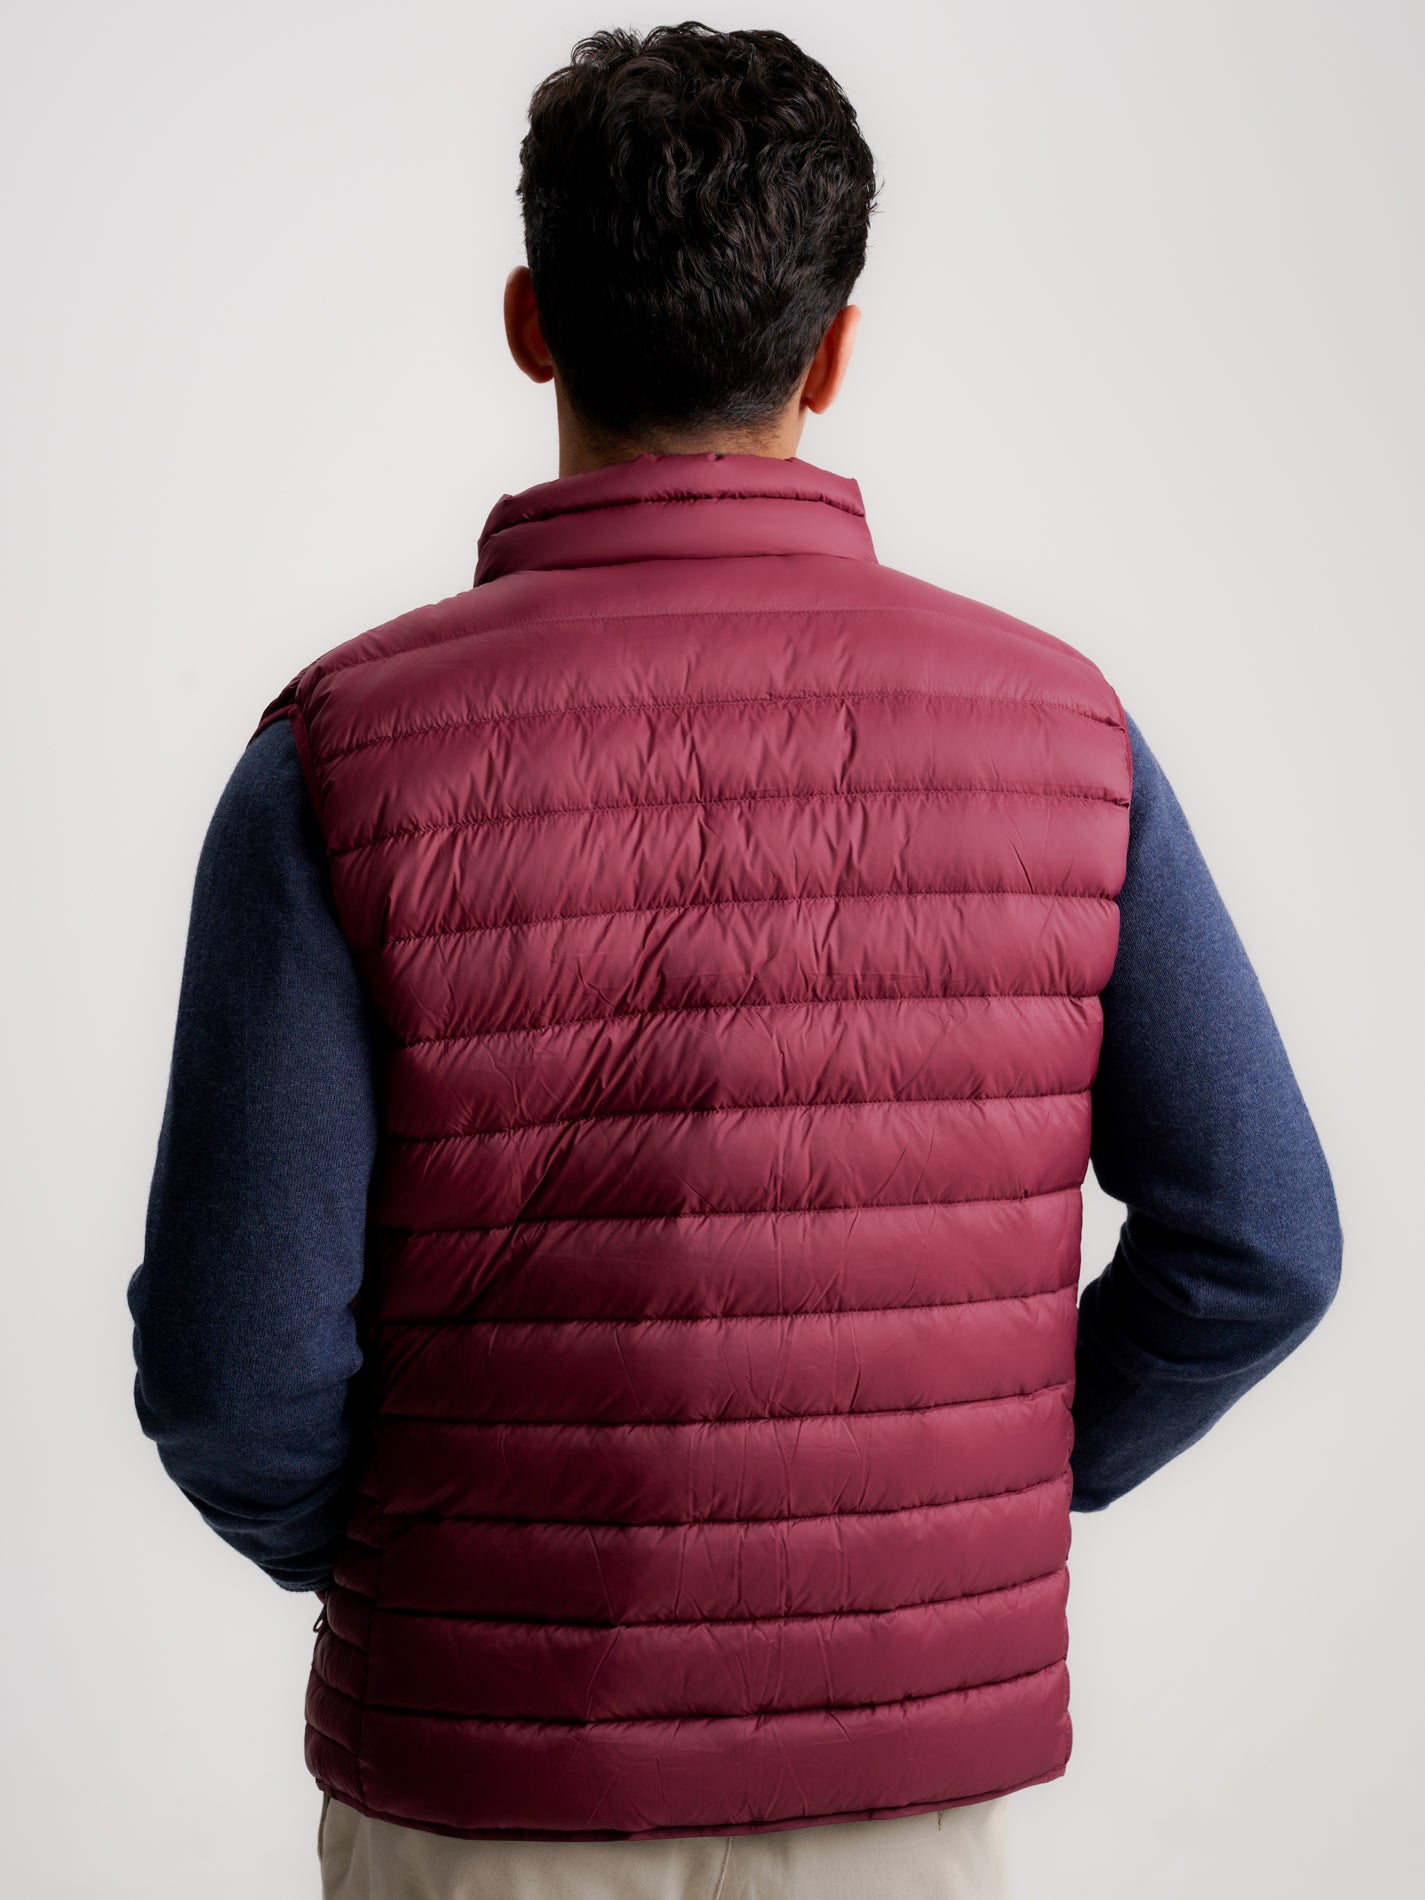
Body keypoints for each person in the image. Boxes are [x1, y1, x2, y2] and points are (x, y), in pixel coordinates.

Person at [126, 22, 1342, 1900]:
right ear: (833, 352)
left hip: (479, 1794)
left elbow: (233, 1372)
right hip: (900, 1796)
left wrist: (420, 1568)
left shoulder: (340, 755)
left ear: (530, 322)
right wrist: (964, 1494)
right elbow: (1261, 1241)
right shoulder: (1064, 732)